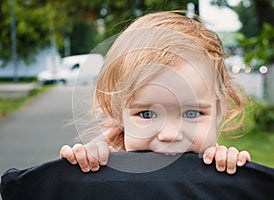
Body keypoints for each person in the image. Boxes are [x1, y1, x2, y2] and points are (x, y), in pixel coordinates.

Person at [60, 11, 251, 175]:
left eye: (192, 113)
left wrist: (230, 169)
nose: (170, 135)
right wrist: (88, 166)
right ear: (118, 114)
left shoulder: (220, 167)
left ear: (218, 112)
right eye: (147, 114)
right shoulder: (109, 166)